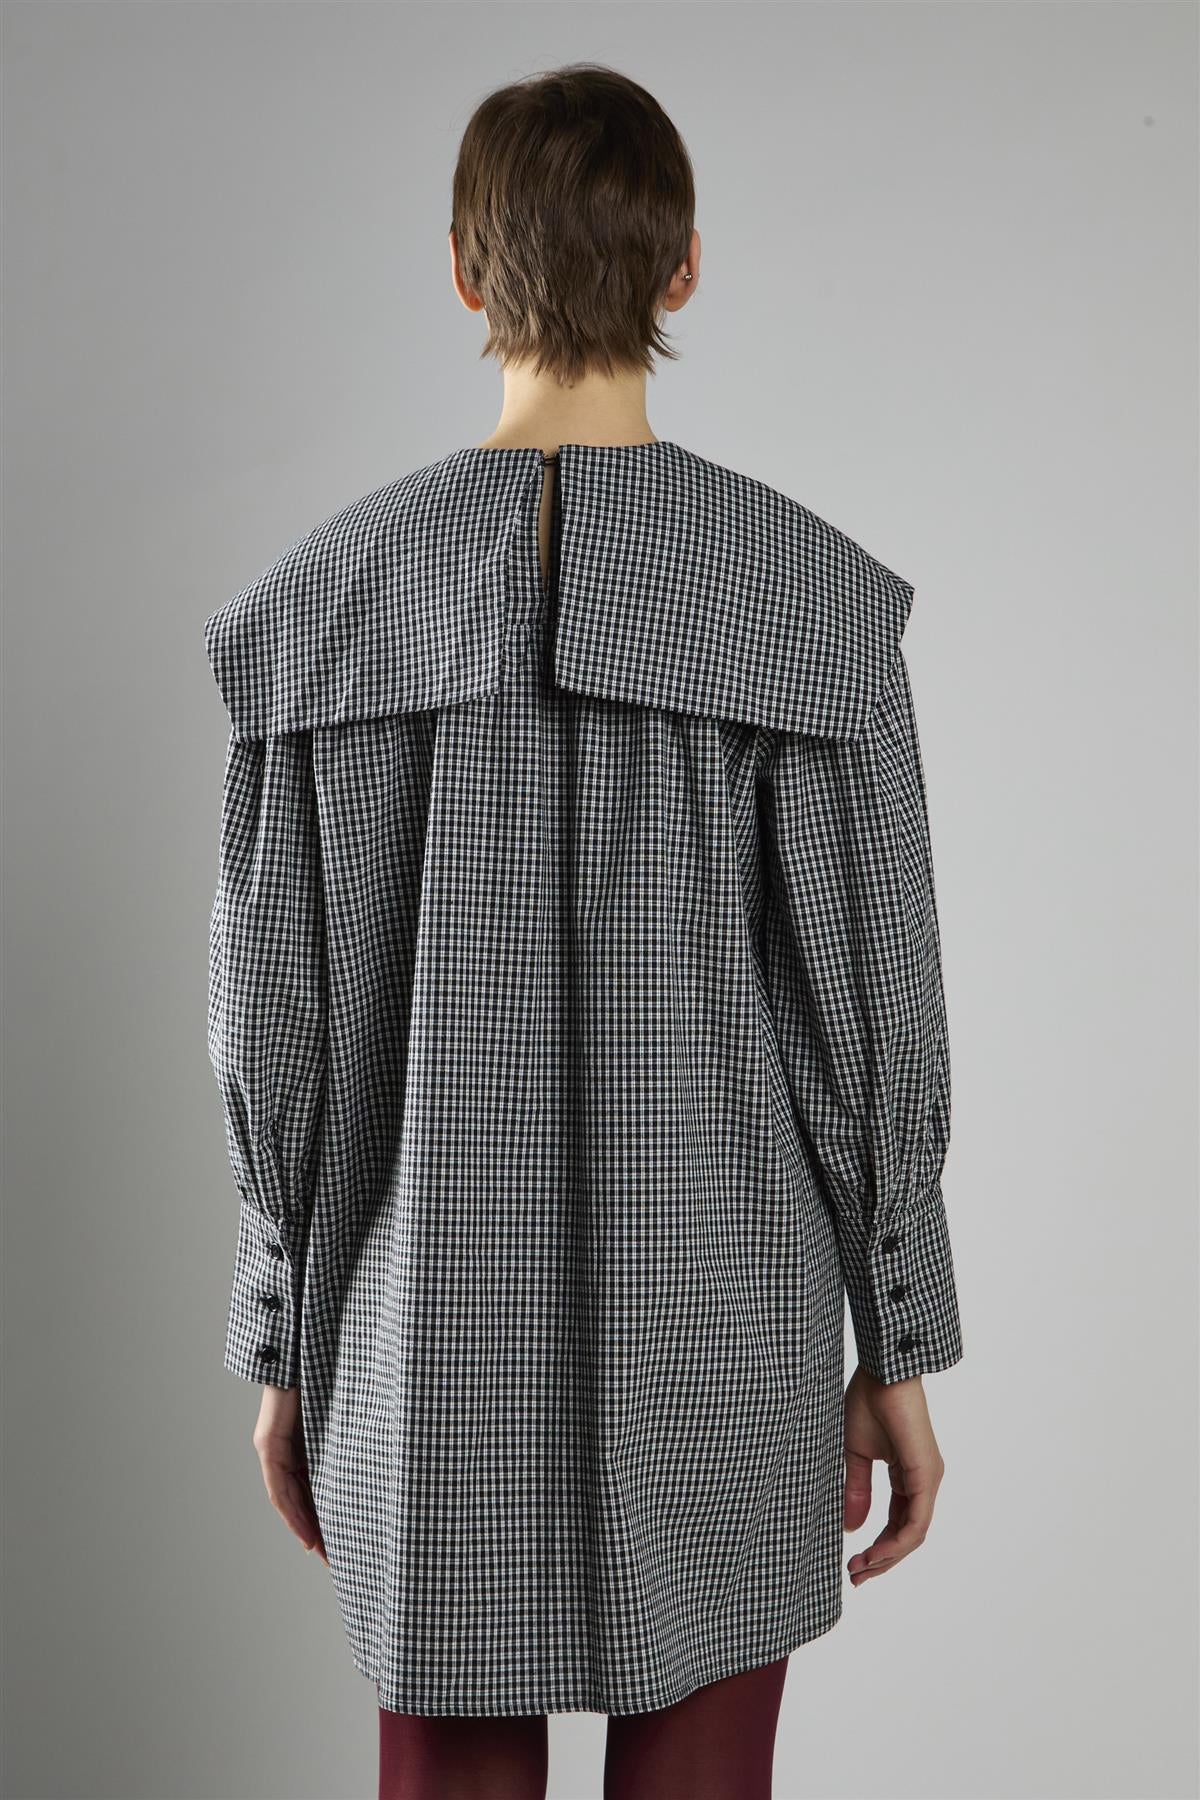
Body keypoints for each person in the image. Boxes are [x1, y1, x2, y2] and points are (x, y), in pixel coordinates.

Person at [203, 62, 964, 1800]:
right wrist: (900, 1336)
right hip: (728, 1345)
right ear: (684, 267)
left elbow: (273, 1039)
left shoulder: (319, 613)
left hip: (418, 1344)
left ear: (463, 270)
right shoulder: (810, 605)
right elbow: (874, 1020)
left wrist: (281, 1339)